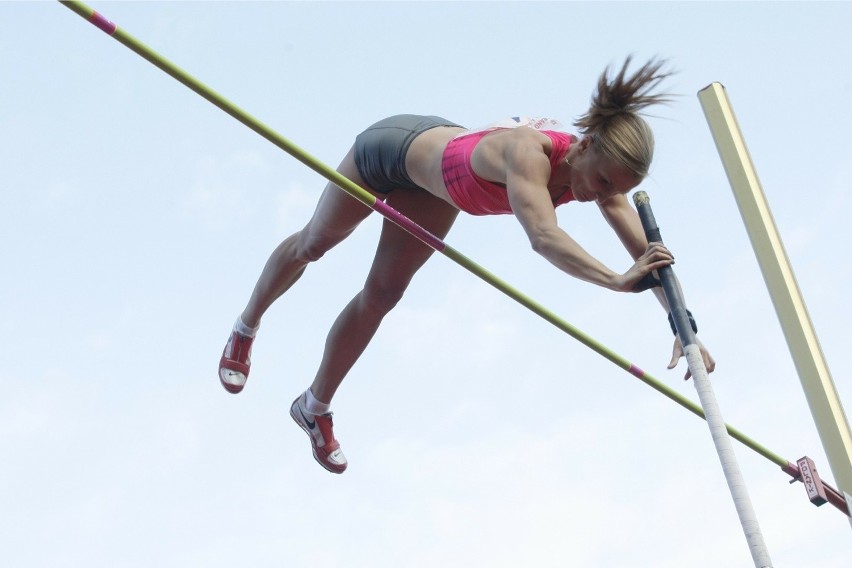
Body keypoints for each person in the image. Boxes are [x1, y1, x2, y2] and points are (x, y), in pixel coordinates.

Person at [218, 56, 716, 474]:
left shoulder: (596, 182)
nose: (604, 195)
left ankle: (314, 406)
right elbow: (543, 236)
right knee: (314, 244)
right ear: (584, 146)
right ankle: (246, 325)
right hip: (388, 152)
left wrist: (681, 322)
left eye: (617, 190)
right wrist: (613, 281)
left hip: (435, 189)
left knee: (384, 294)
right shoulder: (530, 155)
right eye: (604, 181)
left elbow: (647, 260)